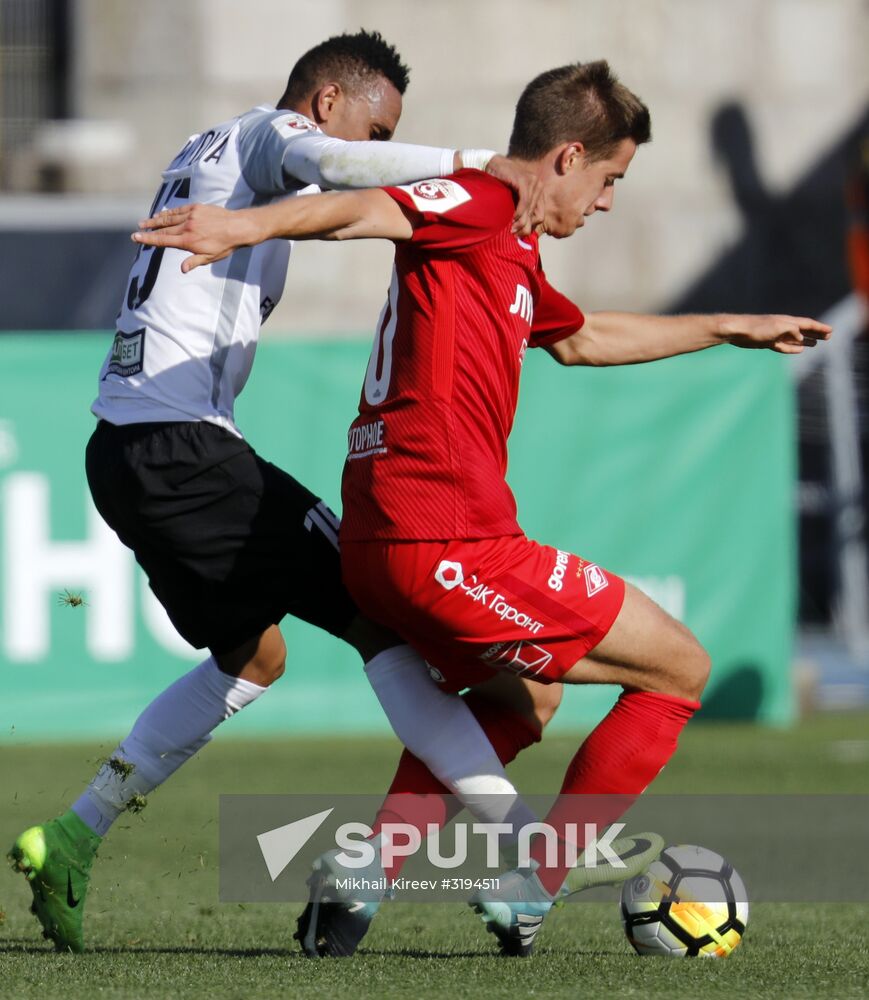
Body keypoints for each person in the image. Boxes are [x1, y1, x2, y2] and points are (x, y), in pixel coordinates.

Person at [131, 59, 832, 957]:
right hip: (446, 538)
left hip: (388, 542)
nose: (608, 202)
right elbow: (364, 209)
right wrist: (246, 224)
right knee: (677, 671)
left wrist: (728, 326)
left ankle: (362, 876)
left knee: (527, 697)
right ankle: (530, 888)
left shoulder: (509, 241)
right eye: (610, 180)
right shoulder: (481, 203)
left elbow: (578, 340)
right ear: (568, 156)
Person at [7, 29, 564, 955]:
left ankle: (73, 834)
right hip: (181, 447)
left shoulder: (211, 151)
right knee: (377, 623)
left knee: (254, 656)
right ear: (326, 101)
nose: (379, 145)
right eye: (378, 123)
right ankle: (521, 856)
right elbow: (340, 162)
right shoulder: (271, 136)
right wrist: (484, 165)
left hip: (123, 451)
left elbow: (332, 178)